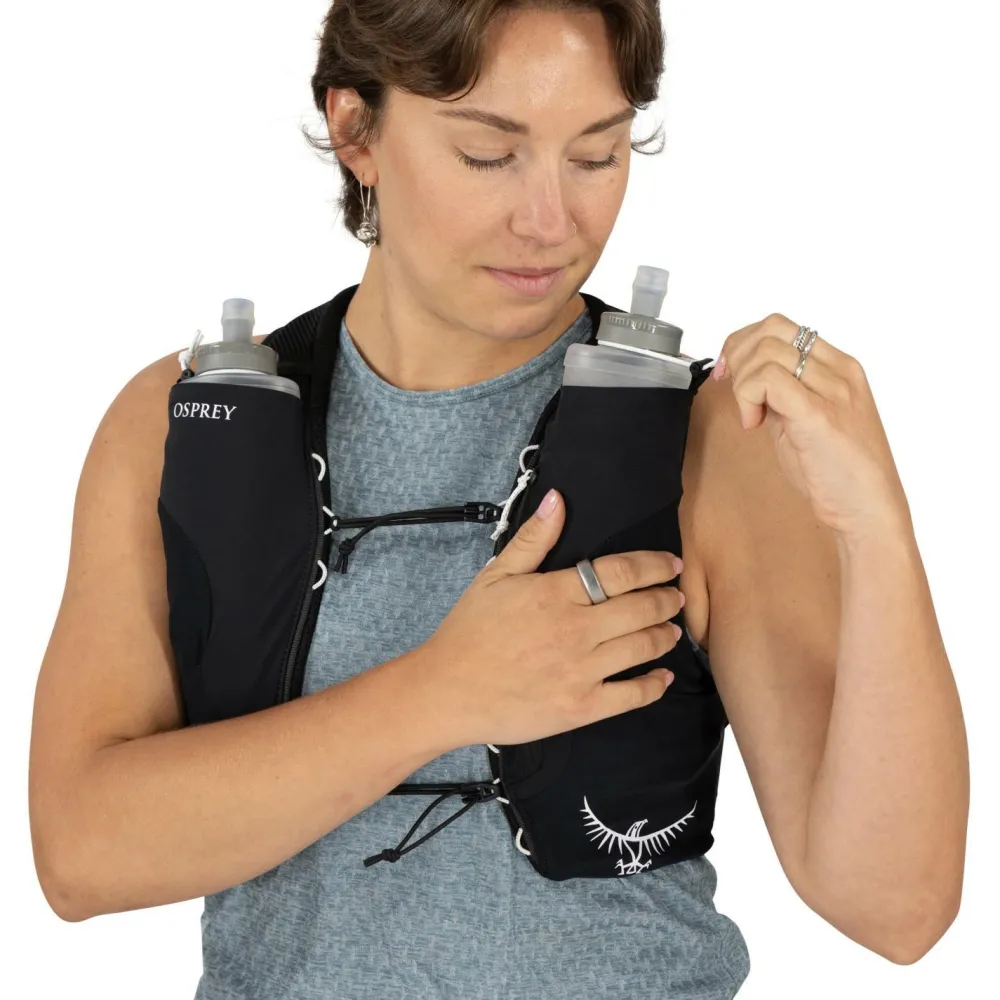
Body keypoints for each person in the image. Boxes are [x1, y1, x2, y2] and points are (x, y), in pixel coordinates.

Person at [28, 2, 968, 998]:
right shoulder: (181, 424)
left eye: (597, 154)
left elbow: (894, 908)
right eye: (488, 154)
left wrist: (877, 529)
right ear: (356, 129)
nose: (551, 222)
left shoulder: (708, 440)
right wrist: (445, 692)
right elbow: (80, 855)